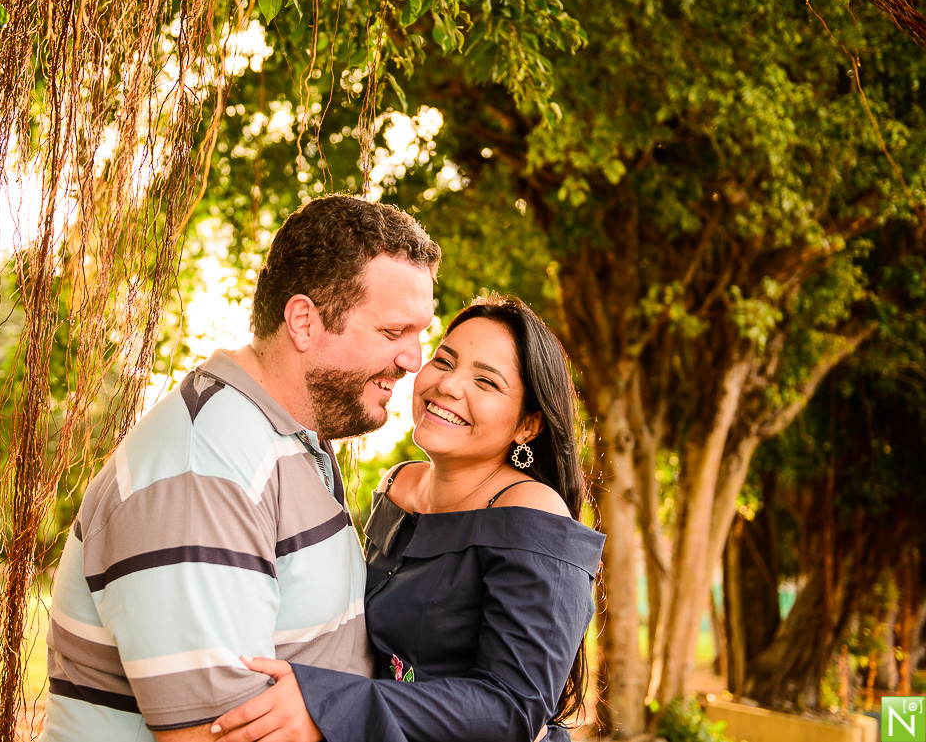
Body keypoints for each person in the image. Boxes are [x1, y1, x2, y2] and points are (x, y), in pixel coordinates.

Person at [40, 195, 440, 742]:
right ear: (304, 321)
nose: (415, 359)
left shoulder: (286, 439)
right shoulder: (202, 470)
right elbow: (217, 734)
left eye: (420, 333)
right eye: (394, 333)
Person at [212, 295, 605, 742]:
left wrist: (328, 704)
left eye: (486, 382)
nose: (450, 386)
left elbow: (511, 709)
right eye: (444, 360)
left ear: (528, 426)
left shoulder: (533, 513)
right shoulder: (399, 486)